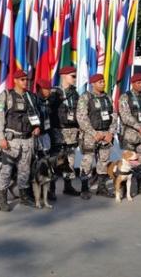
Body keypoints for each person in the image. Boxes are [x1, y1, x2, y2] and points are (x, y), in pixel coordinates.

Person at [0, 70, 40, 211]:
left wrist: (37, 127)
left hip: (27, 139)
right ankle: (2, 198)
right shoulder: (6, 95)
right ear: (15, 80)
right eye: (22, 79)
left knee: (24, 170)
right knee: (6, 170)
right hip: (11, 140)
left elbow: (36, 114)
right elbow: (0, 117)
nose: (25, 82)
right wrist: (1, 138)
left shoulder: (31, 97)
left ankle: (24, 196)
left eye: (26, 79)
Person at [77, 74, 117, 199]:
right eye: (100, 82)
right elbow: (81, 118)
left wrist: (111, 132)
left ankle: (101, 187)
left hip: (106, 135)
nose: (103, 83)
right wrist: (95, 133)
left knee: (103, 162)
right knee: (87, 162)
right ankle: (84, 188)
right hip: (91, 135)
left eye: (103, 81)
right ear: (93, 84)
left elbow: (114, 116)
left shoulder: (108, 98)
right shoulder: (85, 97)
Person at [118, 73, 141, 198]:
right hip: (130, 135)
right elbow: (125, 116)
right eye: (139, 83)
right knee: (127, 163)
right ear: (133, 83)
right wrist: (140, 127)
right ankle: (122, 188)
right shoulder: (125, 97)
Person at [47, 66, 81, 200]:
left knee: (70, 160)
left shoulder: (75, 93)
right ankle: (52, 189)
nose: (74, 79)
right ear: (64, 76)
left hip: (72, 131)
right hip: (58, 131)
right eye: (72, 76)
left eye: (75, 76)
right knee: (56, 160)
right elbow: (48, 111)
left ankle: (68, 186)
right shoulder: (54, 92)